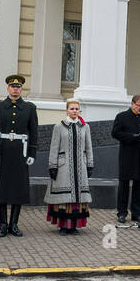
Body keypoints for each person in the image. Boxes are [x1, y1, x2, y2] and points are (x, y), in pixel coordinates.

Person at [0, 73, 38, 237]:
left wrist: (32, 153)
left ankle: (14, 224)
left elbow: (34, 132)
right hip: (2, 151)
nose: (16, 89)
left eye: (18, 87)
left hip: (19, 153)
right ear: (8, 88)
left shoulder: (29, 108)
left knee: (18, 188)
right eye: (13, 87)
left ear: (21, 89)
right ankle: (2, 224)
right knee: (0, 188)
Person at [45, 98, 94, 235]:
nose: (74, 111)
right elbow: (54, 147)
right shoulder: (59, 127)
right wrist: (53, 165)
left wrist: (90, 164)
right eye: (72, 108)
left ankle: (74, 225)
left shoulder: (85, 126)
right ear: (66, 110)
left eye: (76, 109)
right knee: (64, 197)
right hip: (64, 166)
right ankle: (63, 226)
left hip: (80, 166)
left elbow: (89, 147)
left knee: (78, 197)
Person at [111, 94, 140, 228]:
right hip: (127, 154)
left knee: (139, 184)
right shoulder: (122, 117)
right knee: (124, 184)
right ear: (132, 104)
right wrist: (131, 137)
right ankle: (122, 213)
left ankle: (136, 213)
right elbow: (115, 133)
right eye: (138, 105)